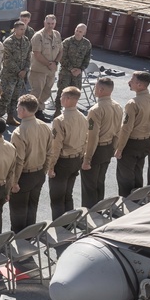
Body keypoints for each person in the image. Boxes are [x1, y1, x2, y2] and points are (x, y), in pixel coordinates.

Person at [114, 71, 150, 196]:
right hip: (145, 141)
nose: (129, 82)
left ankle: (126, 202)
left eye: (132, 80)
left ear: (140, 85)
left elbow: (126, 128)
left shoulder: (133, 103)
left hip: (131, 143)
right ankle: (138, 198)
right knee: (138, 172)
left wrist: (119, 148)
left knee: (125, 176)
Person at [9, 95, 51, 231]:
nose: (16, 109)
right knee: (32, 208)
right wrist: (43, 171)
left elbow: (19, 160)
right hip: (39, 173)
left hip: (24, 176)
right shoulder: (44, 126)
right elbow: (50, 152)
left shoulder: (19, 132)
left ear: (22, 110)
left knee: (18, 214)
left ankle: (19, 243)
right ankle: (30, 236)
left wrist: (14, 182)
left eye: (17, 107)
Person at [80, 77, 123, 208]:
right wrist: (113, 147)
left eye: (95, 87)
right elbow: (118, 131)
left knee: (89, 185)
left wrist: (87, 159)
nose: (94, 90)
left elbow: (93, 137)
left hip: (96, 150)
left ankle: (90, 212)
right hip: (108, 147)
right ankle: (100, 208)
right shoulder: (117, 106)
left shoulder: (96, 110)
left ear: (101, 89)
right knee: (100, 181)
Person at [46, 87, 88, 219]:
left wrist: (51, 166)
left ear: (68, 99)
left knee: (57, 197)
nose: (60, 98)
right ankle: (70, 222)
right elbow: (85, 140)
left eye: (62, 96)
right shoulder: (82, 117)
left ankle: (60, 227)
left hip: (62, 162)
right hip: (76, 160)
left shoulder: (60, 120)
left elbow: (56, 145)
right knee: (68, 195)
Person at [0, 21, 31, 125]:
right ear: (15, 29)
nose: (23, 31)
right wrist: (19, 71)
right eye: (21, 29)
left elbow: (28, 56)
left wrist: (25, 69)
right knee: (5, 97)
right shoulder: (8, 42)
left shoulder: (26, 41)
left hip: (20, 76)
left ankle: (10, 117)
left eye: (24, 29)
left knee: (15, 98)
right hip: (9, 75)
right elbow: (8, 60)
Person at [29, 14, 62, 120]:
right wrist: (49, 64)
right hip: (39, 70)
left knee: (47, 91)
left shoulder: (57, 34)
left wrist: (55, 63)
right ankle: (30, 113)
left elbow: (61, 51)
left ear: (55, 23)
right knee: (36, 92)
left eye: (52, 23)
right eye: (48, 23)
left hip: (51, 71)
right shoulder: (38, 36)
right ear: (44, 23)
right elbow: (37, 54)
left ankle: (39, 110)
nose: (50, 25)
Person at [55, 23, 91, 113]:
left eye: (80, 31)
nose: (78, 33)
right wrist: (71, 68)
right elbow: (62, 57)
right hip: (65, 72)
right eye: (77, 30)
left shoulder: (87, 44)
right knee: (62, 92)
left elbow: (87, 58)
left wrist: (81, 69)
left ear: (84, 33)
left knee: (75, 93)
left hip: (77, 74)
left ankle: (71, 111)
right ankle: (57, 111)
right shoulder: (67, 42)